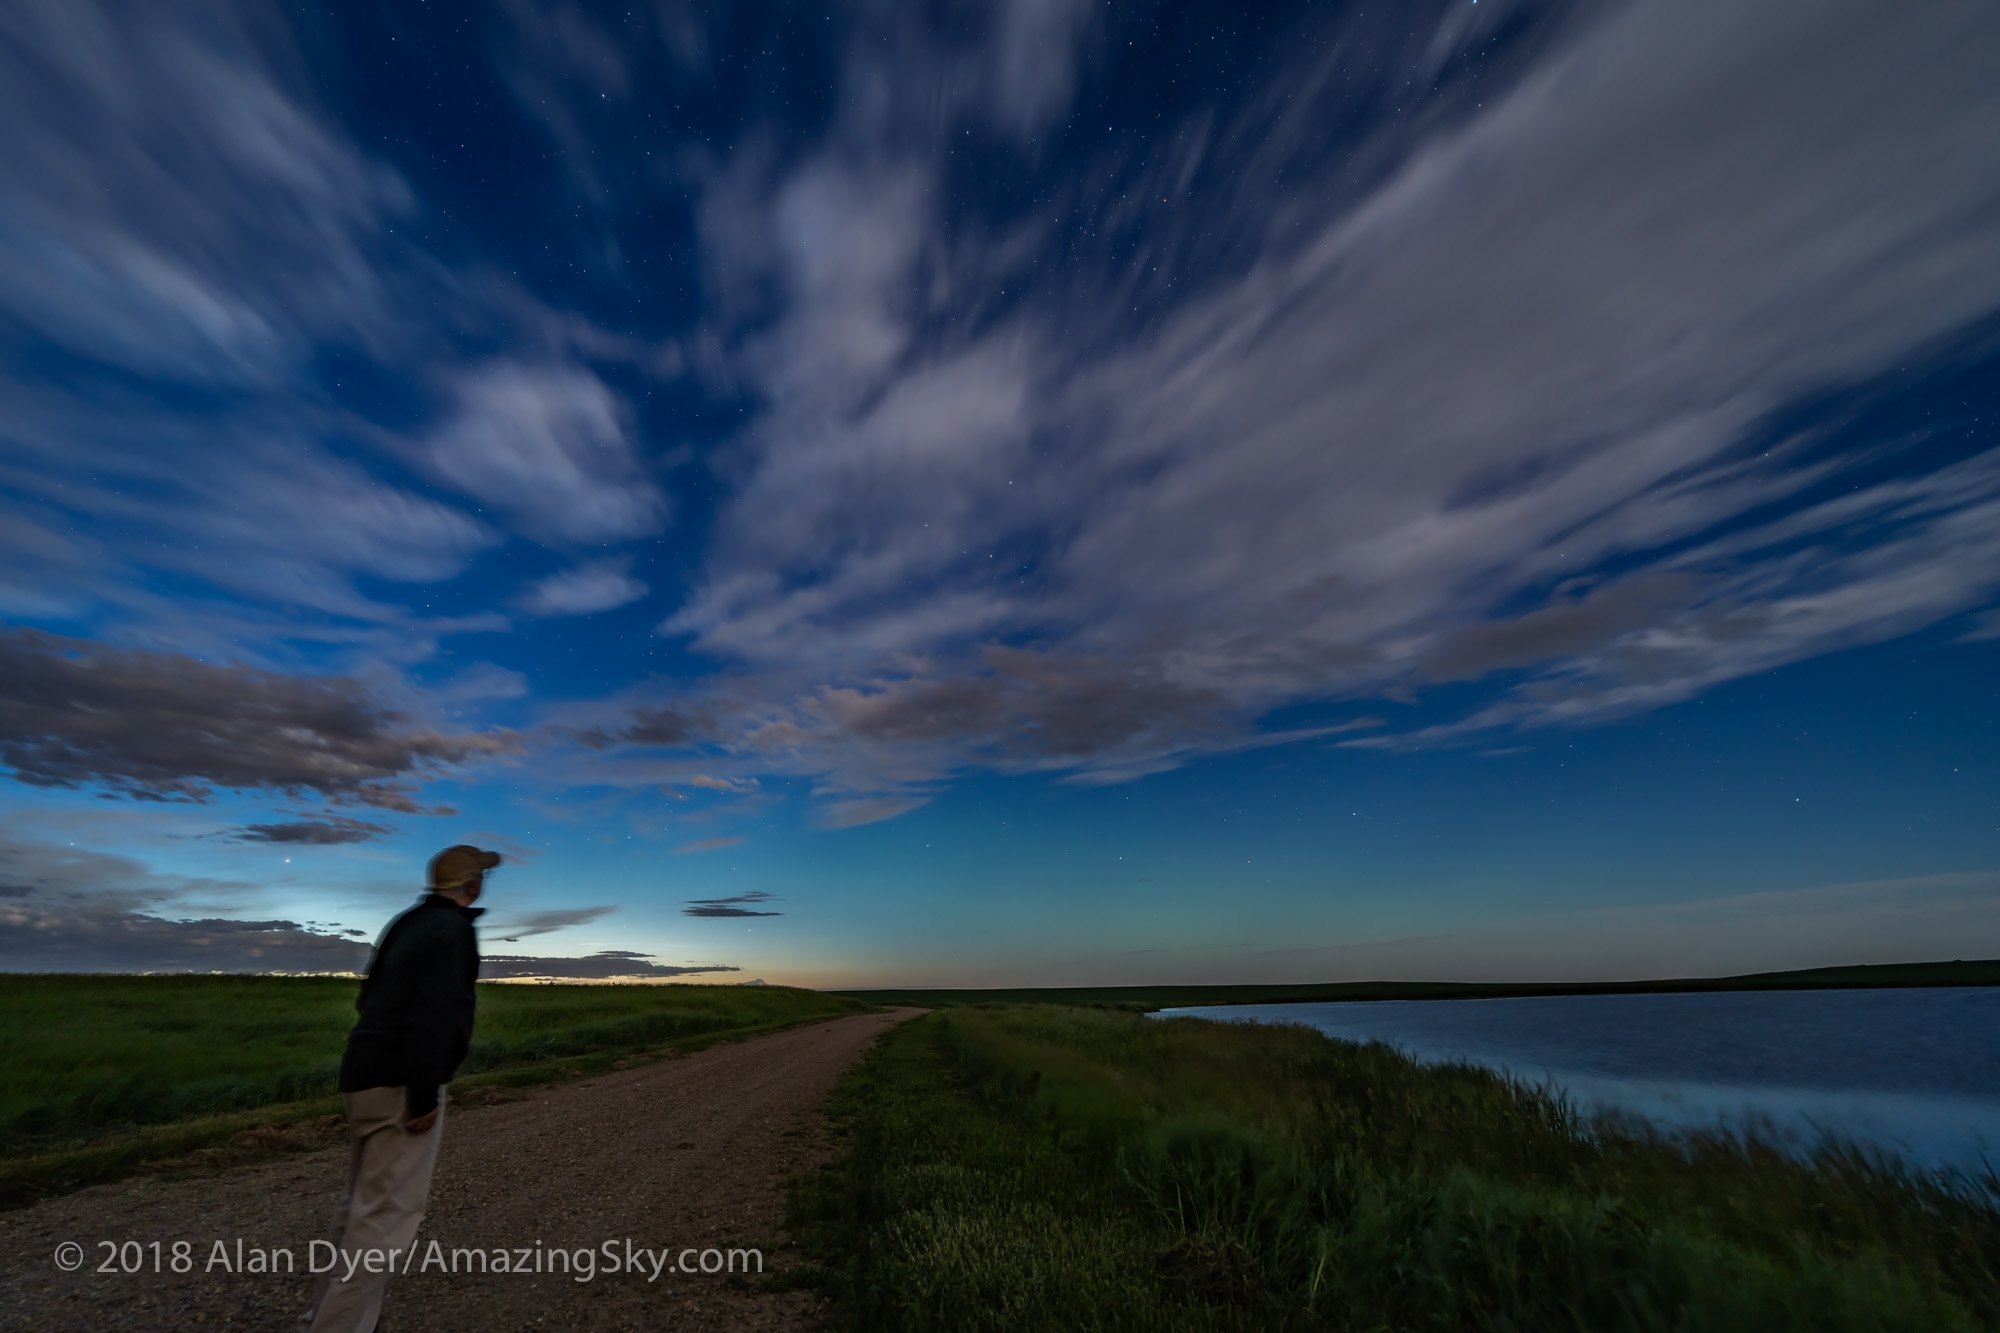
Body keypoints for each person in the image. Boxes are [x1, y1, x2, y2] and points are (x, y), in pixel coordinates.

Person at [298, 844, 499, 1333]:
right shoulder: (452, 930)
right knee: (386, 1219)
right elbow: (436, 1014)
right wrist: (424, 1094)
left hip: (362, 1073)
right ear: (471, 885)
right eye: (481, 878)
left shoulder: (407, 923)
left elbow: (369, 997)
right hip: (401, 1083)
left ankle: (328, 1317)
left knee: (359, 1209)